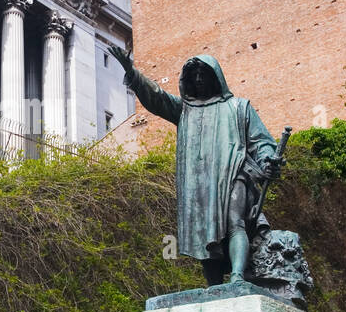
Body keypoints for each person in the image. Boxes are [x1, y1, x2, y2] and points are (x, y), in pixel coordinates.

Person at [110, 47, 280, 286]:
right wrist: (132, 72)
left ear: (215, 77)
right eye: (195, 75)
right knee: (203, 235)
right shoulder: (184, 111)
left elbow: (261, 142)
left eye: (204, 74)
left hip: (233, 173)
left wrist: (267, 160)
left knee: (235, 222)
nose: (199, 79)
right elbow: (157, 97)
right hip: (199, 183)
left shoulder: (239, 108)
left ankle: (238, 278)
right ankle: (214, 288)